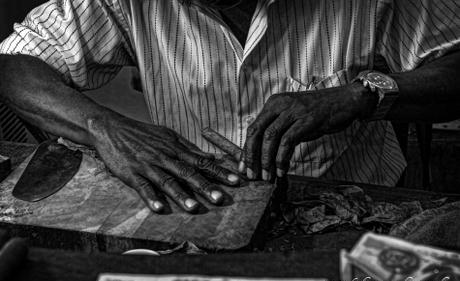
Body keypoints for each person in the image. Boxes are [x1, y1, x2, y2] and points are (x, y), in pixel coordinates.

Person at [0, 0, 459, 214]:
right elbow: (14, 63)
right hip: (202, 204)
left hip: (353, 201)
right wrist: (104, 127)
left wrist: (360, 94)